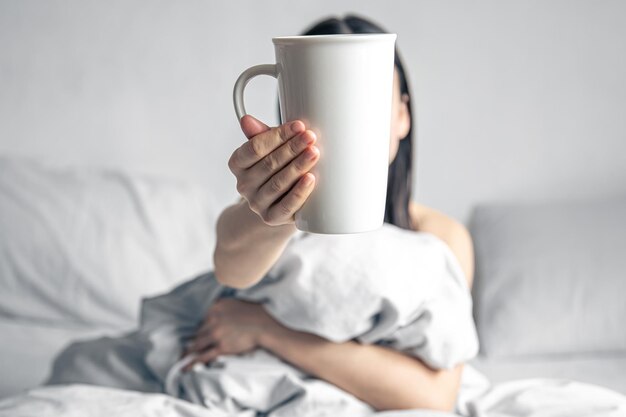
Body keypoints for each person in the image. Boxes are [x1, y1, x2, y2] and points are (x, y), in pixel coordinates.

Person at [186, 15, 474, 412]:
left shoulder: (441, 239)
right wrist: (271, 208)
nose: (348, 116)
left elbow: (434, 394)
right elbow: (230, 266)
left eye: (370, 95)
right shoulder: (268, 216)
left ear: (402, 116)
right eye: (328, 97)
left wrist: (266, 330)